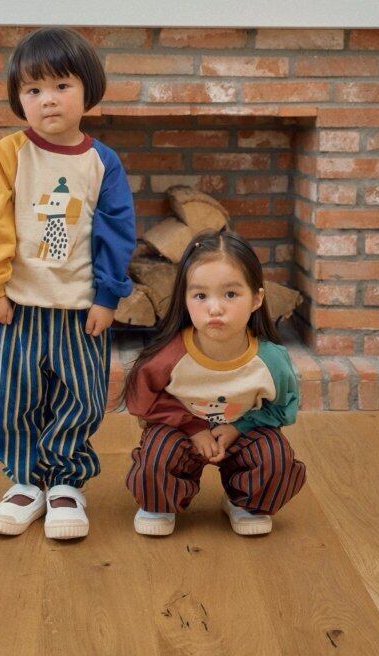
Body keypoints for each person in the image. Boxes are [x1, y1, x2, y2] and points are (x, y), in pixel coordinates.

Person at [0, 26, 136, 540]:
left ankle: (64, 483)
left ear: (87, 90)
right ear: (19, 99)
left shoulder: (102, 162)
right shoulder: (10, 153)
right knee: (11, 398)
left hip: (79, 310)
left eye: (61, 86)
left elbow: (116, 231)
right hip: (17, 308)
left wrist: (107, 296)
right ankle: (25, 483)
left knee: (81, 397)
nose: (48, 100)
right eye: (34, 89)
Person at [124, 230, 306, 536]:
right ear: (185, 300)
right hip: (181, 433)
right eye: (200, 296)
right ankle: (160, 502)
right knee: (158, 452)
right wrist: (193, 428)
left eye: (230, 294)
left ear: (256, 299)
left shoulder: (271, 361)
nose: (215, 308)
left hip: (242, 435)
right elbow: (142, 399)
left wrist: (239, 428)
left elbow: (283, 408)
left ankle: (244, 502)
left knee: (275, 456)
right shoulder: (169, 355)